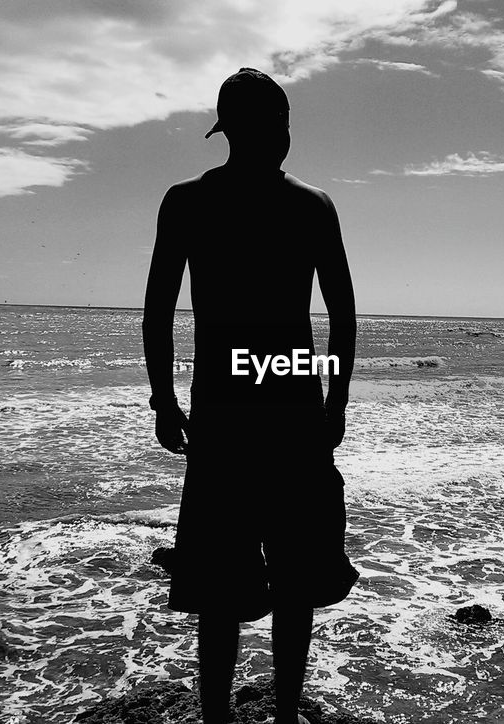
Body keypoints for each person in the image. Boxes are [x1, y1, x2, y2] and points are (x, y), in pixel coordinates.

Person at [142, 68, 359, 724]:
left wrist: (165, 401)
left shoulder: (187, 202)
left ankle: (217, 719)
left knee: (219, 587)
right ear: (276, 128)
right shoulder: (312, 207)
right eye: (283, 123)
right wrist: (335, 402)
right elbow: (343, 318)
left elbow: (157, 313)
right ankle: (286, 715)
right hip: (293, 413)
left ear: (227, 131)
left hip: (225, 417)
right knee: (293, 582)